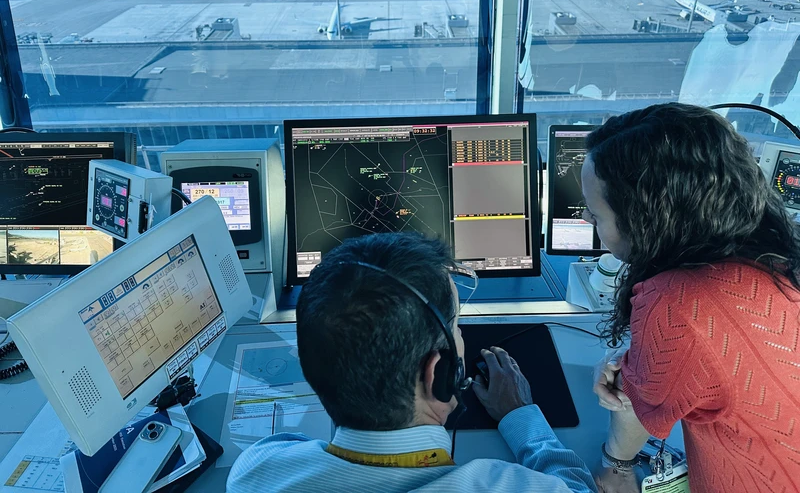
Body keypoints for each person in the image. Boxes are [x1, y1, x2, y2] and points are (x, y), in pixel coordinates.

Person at [228, 233, 596, 493]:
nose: (460, 336)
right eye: (456, 328)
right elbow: (578, 487)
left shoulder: (255, 471)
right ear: (440, 374)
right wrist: (522, 418)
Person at [582, 103, 800, 493]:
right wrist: (641, 362)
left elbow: (634, 405)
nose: (585, 219)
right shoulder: (778, 260)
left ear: (645, 221)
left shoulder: (678, 306)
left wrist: (616, 470)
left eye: (595, 214)